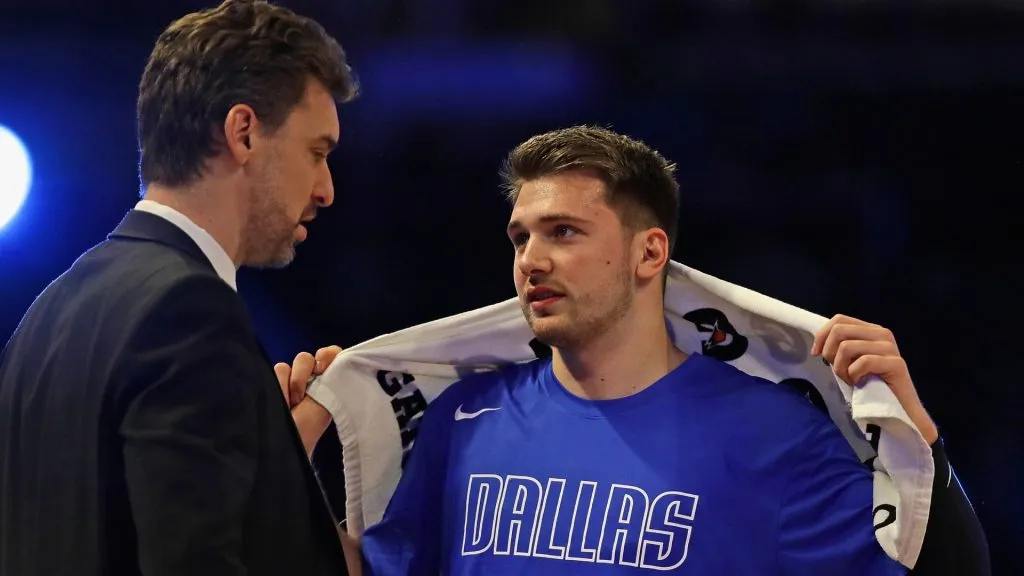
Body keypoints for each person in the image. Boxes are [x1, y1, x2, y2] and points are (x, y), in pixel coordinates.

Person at [300, 126, 986, 574]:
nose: (531, 260)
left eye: (563, 232)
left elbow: (943, 569)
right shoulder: (463, 418)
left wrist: (917, 434)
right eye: (520, 238)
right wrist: (287, 459)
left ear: (648, 252)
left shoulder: (770, 435)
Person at [0, 1, 359, 575]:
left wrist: (273, 461)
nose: (326, 190)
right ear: (243, 133)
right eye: (316, 152)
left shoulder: (47, 312)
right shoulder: (190, 313)